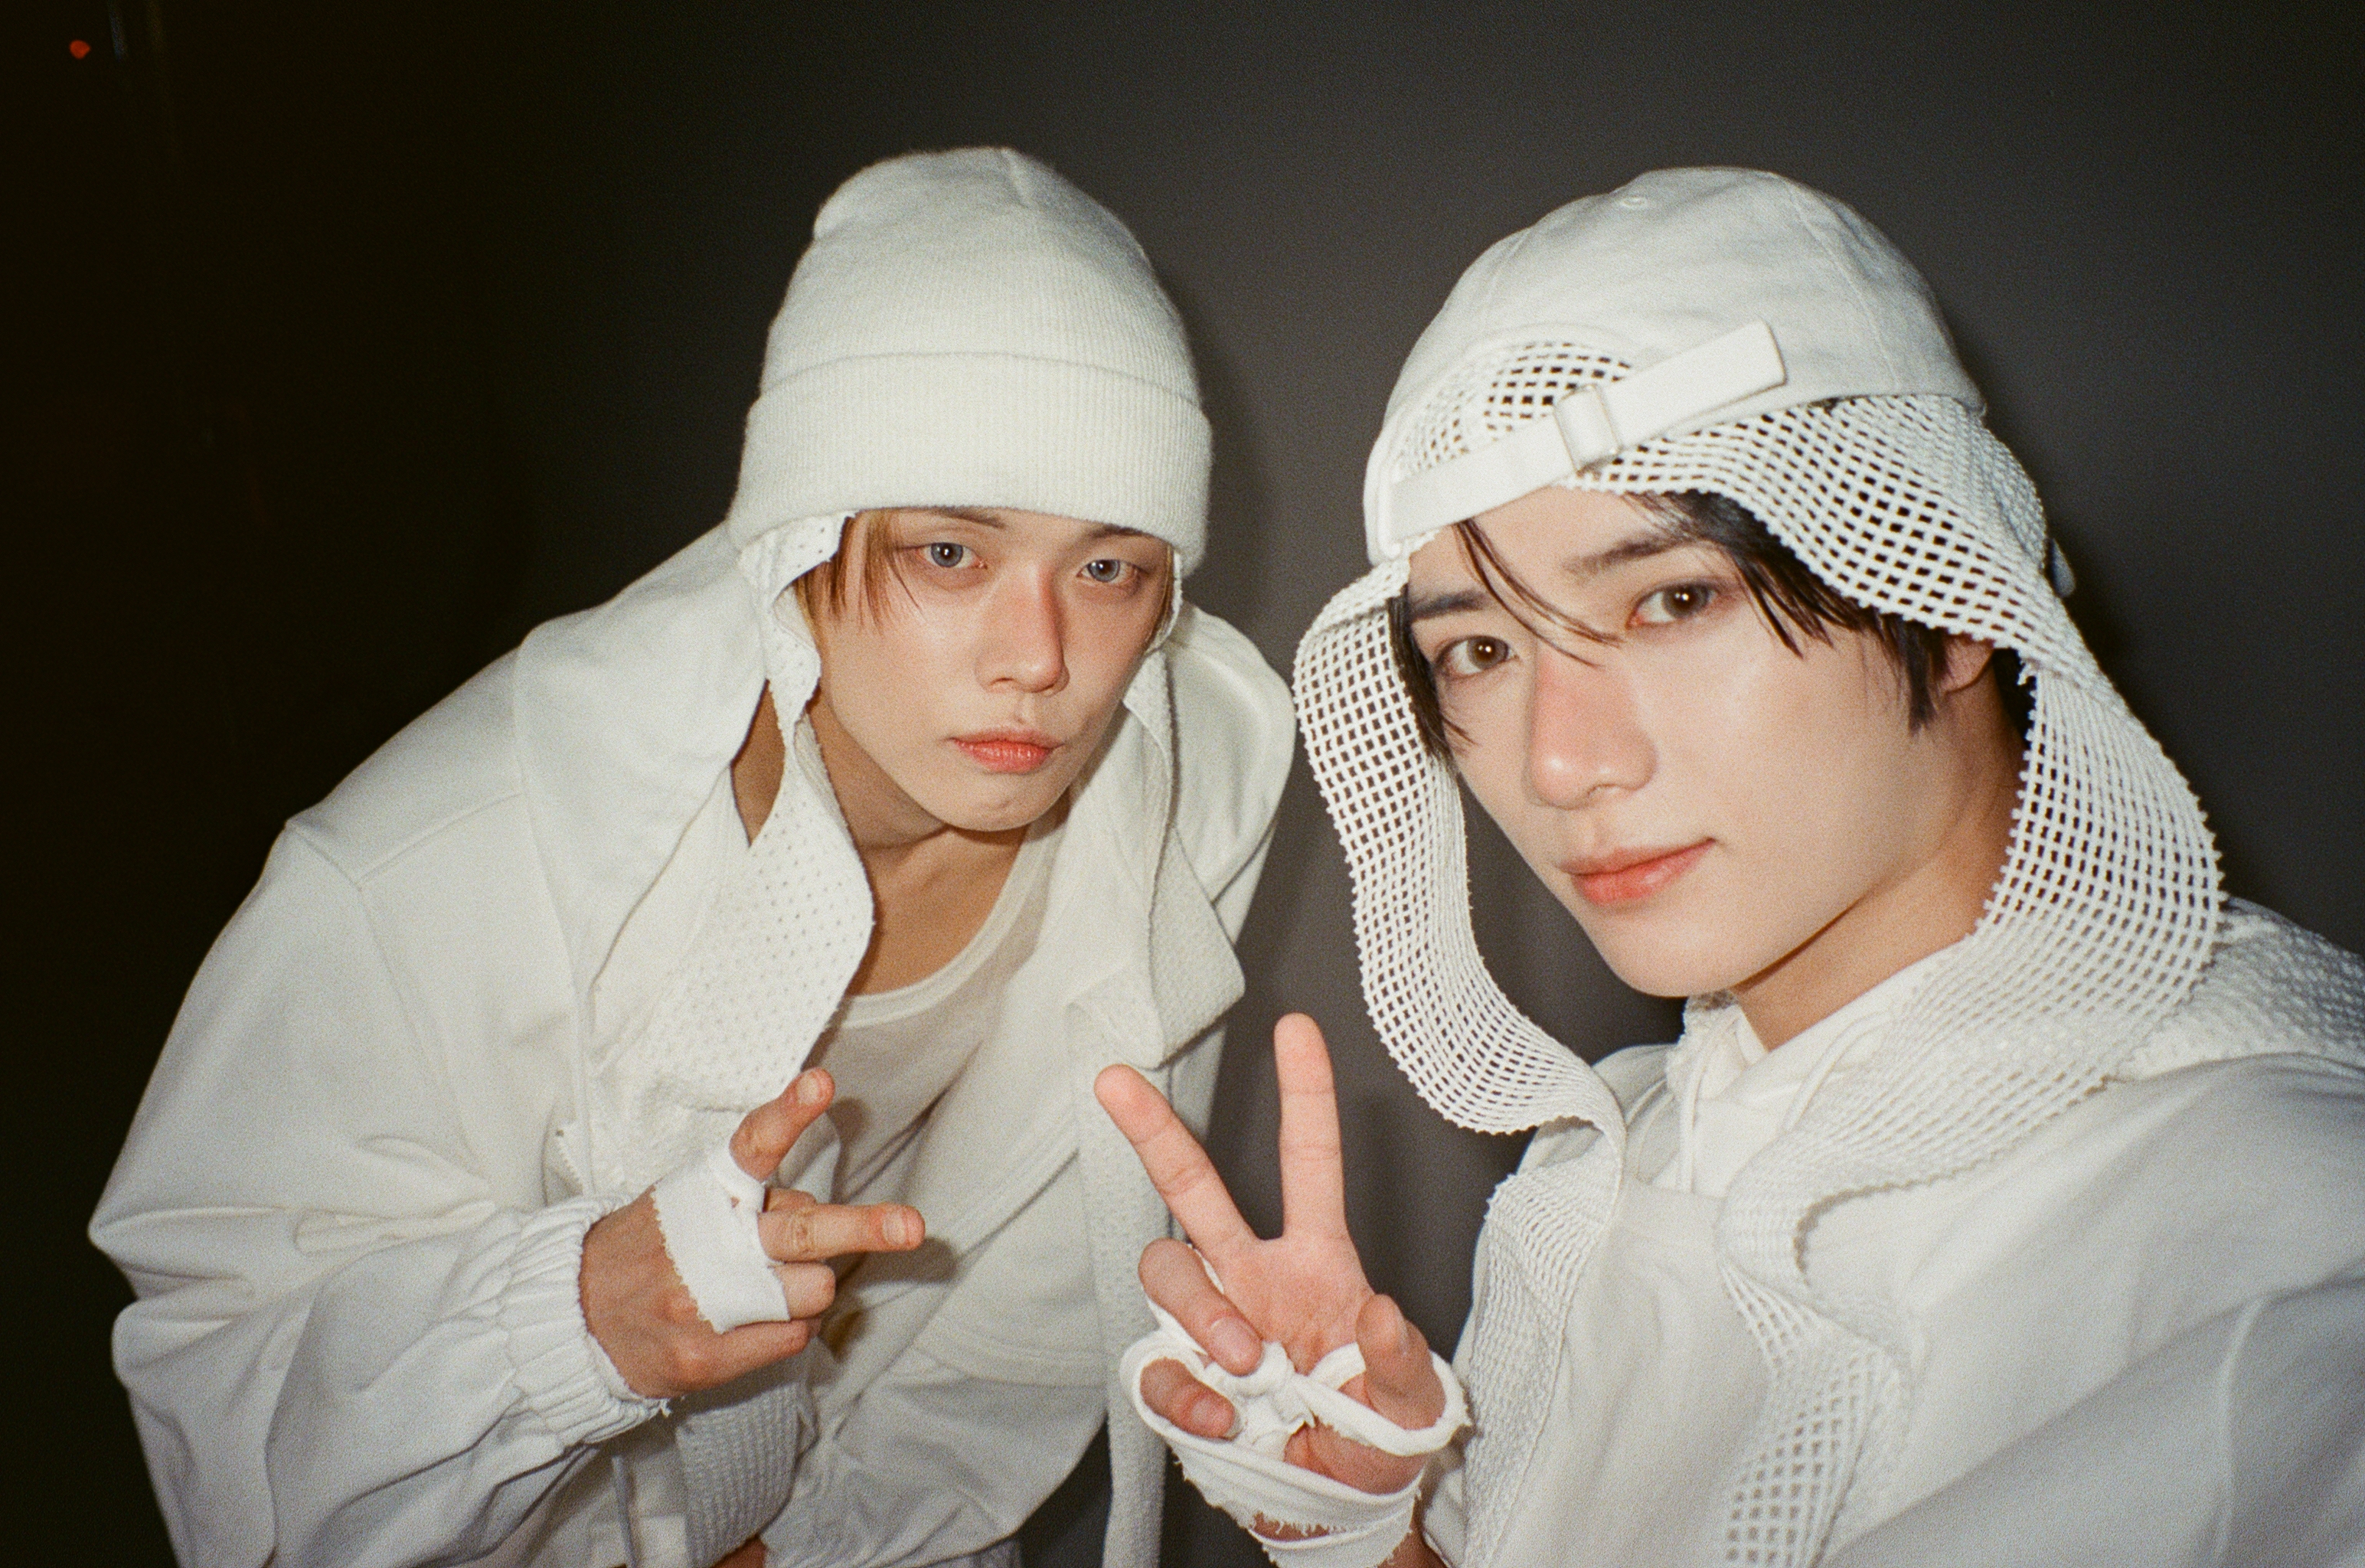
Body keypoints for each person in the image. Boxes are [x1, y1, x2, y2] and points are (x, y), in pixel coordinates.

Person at [1095, 168, 2365, 1566]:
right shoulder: (1611, 1163)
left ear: (1948, 594)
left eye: (1674, 598)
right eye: (1480, 650)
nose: (1559, 762)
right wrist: (1364, 1523)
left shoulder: (2290, 1238)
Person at [93, 147, 1295, 1568]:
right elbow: (222, 1401)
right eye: (949, 556)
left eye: (1107, 568)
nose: (1040, 660)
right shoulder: (437, 867)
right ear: (797, 542)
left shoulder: (1184, 785)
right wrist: (574, 1319)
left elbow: (1033, 1310)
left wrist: (830, 1543)